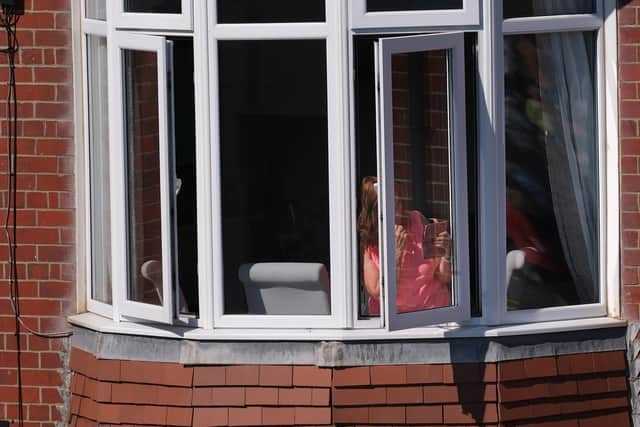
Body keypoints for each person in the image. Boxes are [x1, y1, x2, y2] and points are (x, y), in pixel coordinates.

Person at [358, 176, 452, 315]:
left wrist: (446, 253)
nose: (397, 212)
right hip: (396, 322)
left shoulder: (418, 220)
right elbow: (379, 295)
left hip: (434, 314)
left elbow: (444, 277)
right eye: (390, 207)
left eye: (398, 204)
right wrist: (395, 256)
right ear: (375, 212)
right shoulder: (371, 243)